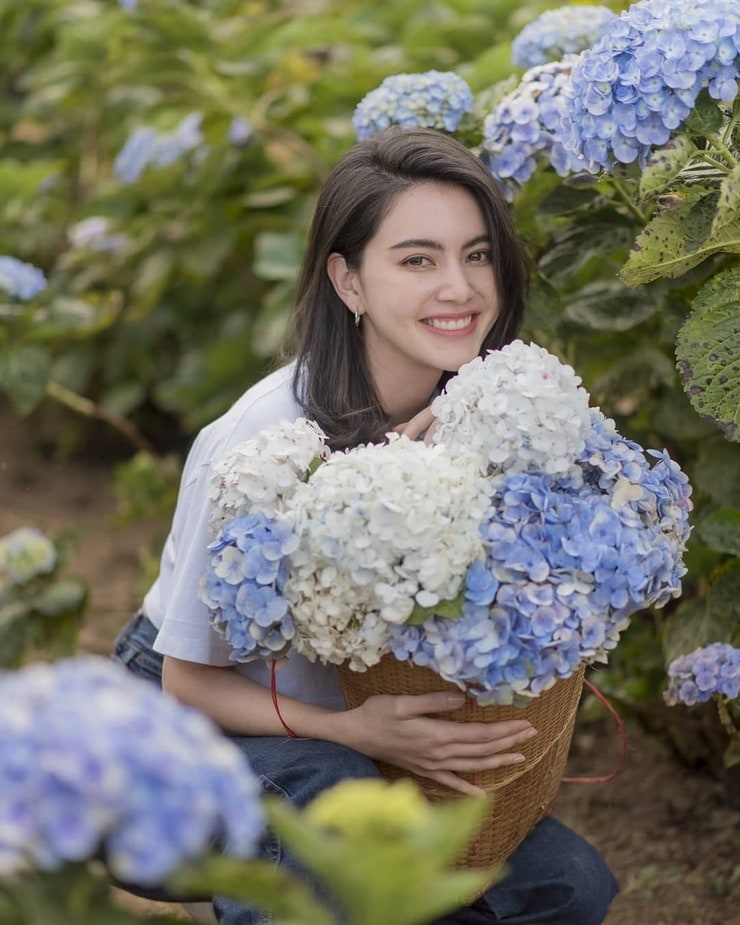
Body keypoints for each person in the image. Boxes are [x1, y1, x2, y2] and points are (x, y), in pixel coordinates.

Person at [112, 127, 619, 925]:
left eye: (477, 255)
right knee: (330, 800)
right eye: (418, 259)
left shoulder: (495, 416)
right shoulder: (265, 437)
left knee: (566, 885)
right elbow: (189, 680)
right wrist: (356, 731)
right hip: (186, 727)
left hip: (373, 725)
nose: (459, 287)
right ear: (347, 280)